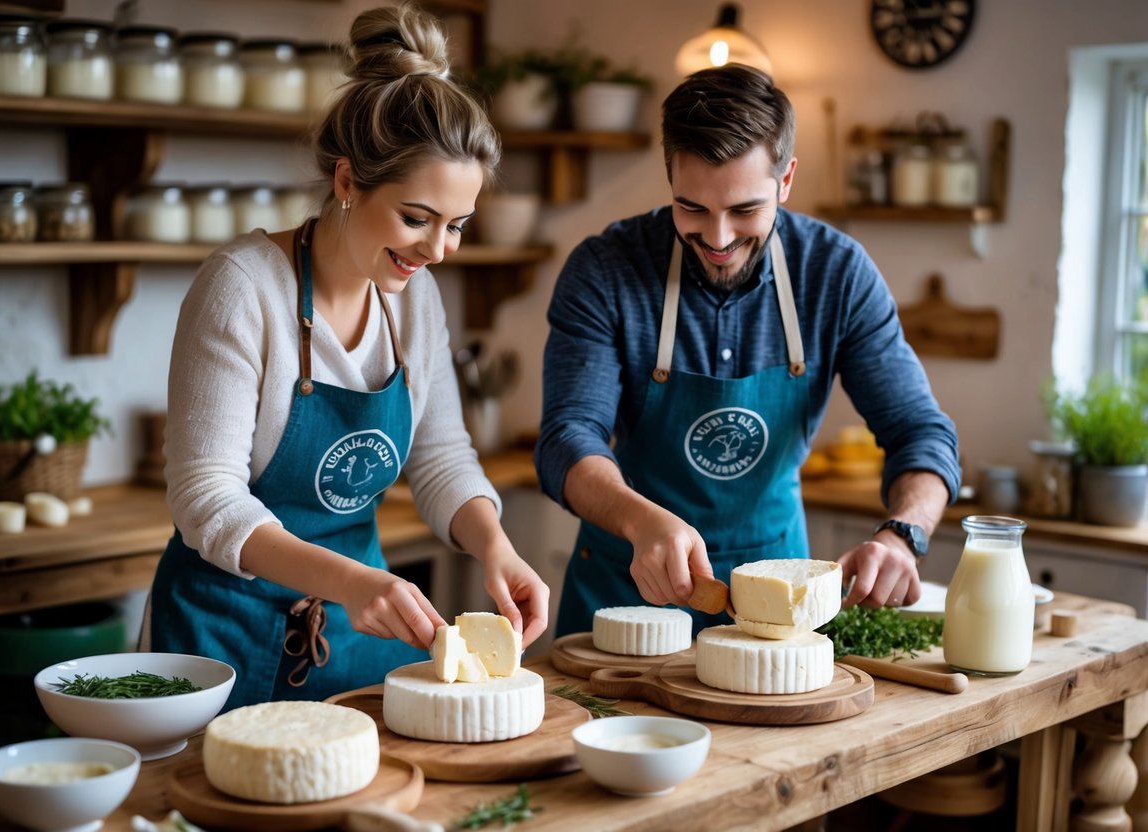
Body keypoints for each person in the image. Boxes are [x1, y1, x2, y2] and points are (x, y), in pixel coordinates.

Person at [147, 2, 548, 711]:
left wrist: (494, 546)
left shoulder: (413, 297)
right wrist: (353, 582)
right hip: (219, 641)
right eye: (416, 219)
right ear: (346, 181)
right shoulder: (242, 289)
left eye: (457, 226)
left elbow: (441, 455)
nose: (437, 250)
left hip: (357, 634)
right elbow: (205, 502)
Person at [535, 64, 960, 637]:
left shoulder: (836, 274)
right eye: (693, 208)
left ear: (785, 181)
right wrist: (640, 521)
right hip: (629, 594)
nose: (717, 239)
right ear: (669, 180)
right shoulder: (605, 269)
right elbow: (568, 437)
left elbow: (921, 433)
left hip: (779, 604)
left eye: (744, 210)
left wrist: (903, 533)